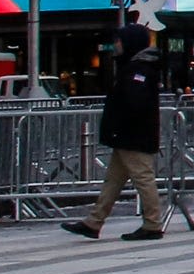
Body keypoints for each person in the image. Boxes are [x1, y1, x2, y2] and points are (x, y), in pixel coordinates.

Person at [65, 24, 168, 241]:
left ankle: (152, 223)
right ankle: (94, 222)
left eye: (120, 41)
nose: (116, 45)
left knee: (142, 177)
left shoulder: (138, 70)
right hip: (127, 135)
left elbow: (133, 103)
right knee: (113, 180)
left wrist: (118, 125)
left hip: (133, 135)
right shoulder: (135, 67)